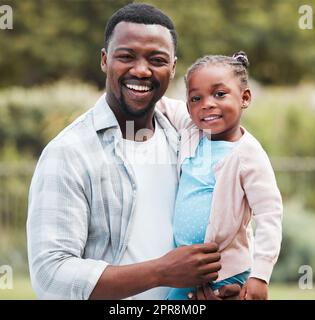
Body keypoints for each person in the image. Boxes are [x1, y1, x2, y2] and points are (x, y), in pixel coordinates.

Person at [27, 3, 241, 300]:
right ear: (105, 60)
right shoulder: (69, 153)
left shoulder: (187, 139)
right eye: (126, 56)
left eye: (157, 59)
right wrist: (161, 272)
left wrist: (229, 286)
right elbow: (50, 275)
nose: (141, 70)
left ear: (173, 68)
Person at [158, 52, 283, 300]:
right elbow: (157, 102)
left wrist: (260, 276)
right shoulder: (193, 130)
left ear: (245, 97)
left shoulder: (248, 154)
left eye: (219, 94)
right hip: (187, 267)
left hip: (225, 270)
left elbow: (270, 215)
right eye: (196, 98)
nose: (206, 104)